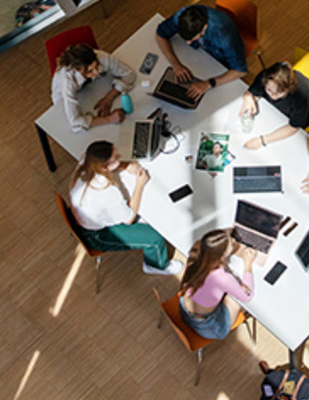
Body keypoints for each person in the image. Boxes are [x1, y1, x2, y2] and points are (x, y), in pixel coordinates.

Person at [69, 140, 182, 275]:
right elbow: (128, 218)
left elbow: (108, 167)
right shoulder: (106, 191)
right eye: (116, 157)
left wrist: (125, 165)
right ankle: (156, 265)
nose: (120, 157)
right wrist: (139, 184)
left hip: (86, 218)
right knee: (155, 238)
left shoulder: (85, 161)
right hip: (97, 235)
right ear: (104, 167)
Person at [155, 5, 247, 100]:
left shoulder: (223, 34)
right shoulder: (183, 16)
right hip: (201, 56)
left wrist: (208, 83)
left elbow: (240, 71)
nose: (188, 43)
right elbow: (160, 35)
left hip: (220, 64)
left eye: (191, 39)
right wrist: (176, 65)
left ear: (204, 28)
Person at [179, 229, 257, 339]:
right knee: (236, 299)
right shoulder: (223, 278)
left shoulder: (196, 251)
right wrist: (248, 264)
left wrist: (224, 236)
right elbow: (247, 297)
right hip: (208, 326)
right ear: (222, 255)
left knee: (225, 290)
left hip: (184, 310)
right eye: (231, 243)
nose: (234, 241)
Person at [51, 44, 136, 133]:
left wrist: (109, 98)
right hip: (64, 98)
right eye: (90, 70)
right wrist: (110, 119)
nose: (96, 72)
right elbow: (75, 122)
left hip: (91, 88)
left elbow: (130, 75)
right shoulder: (67, 81)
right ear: (77, 70)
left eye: (96, 66)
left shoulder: (100, 56)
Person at [240, 62, 309, 150]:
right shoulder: (265, 76)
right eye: (269, 90)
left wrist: (262, 140)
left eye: (279, 93)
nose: (273, 96)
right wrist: (248, 100)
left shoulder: (301, 96)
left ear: (289, 88)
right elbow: (251, 93)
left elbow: (293, 127)